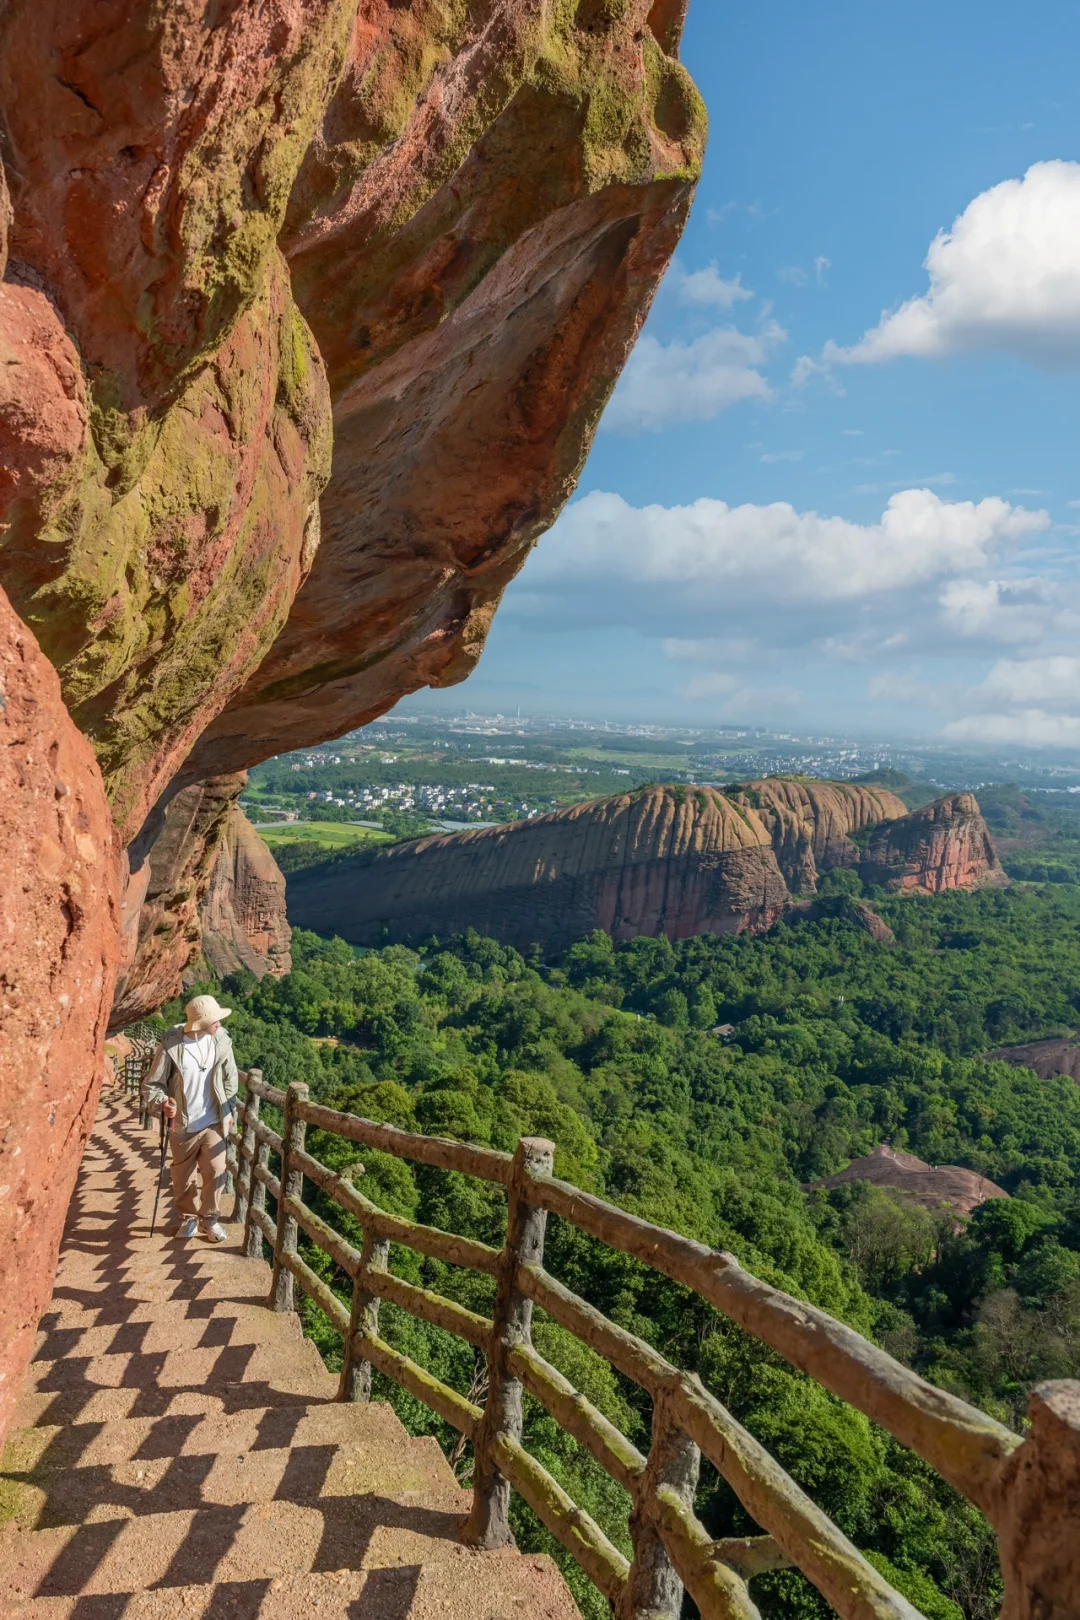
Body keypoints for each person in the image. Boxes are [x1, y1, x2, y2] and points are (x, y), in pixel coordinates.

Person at [142, 994, 239, 1242]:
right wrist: (163, 1103)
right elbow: (152, 1085)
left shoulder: (222, 1041)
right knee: (182, 1177)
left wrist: (227, 1111)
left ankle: (210, 1220)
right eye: (214, 1019)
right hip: (182, 1124)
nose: (219, 1023)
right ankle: (189, 1219)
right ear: (200, 1021)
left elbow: (231, 1081)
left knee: (216, 1170)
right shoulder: (171, 1047)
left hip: (212, 1121)